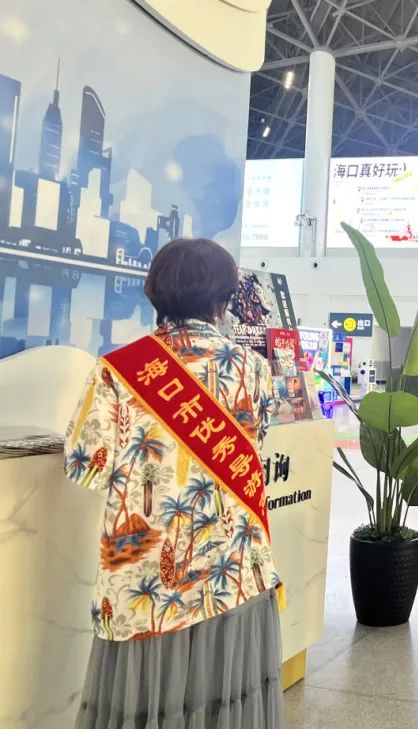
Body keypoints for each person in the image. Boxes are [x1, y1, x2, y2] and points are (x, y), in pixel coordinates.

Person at [64, 238, 284, 728]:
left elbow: (84, 467)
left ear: (156, 293)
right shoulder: (254, 368)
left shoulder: (117, 370)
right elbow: (256, 442)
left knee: (145, 705)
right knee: (226, 698)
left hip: (148, 582)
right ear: (222, 299)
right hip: (233, 570)